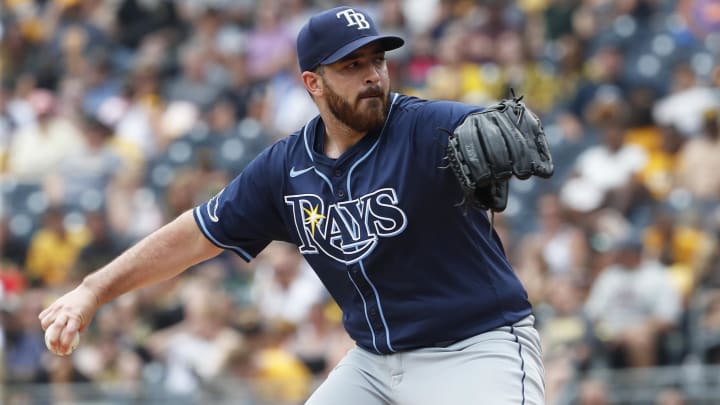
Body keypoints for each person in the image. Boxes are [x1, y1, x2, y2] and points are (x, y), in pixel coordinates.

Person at [40, 7, 546, 404]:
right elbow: (195, 235)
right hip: (374, 364)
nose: (372, 75)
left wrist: (521, 129)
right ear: (313, 83)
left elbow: (507, 127)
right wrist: (92, 290)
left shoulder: (428, 126)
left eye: (377, 60)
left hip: (476, 347)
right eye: (352, 65)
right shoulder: (286, 169)